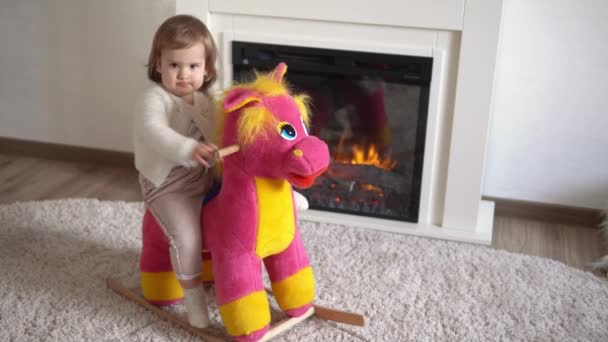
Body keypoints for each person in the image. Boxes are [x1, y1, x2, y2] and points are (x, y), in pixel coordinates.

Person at [132, 14, 218, 328]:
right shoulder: (153, 99)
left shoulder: (205, 100)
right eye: (174, 65)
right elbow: (154, 131)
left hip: (203, 176)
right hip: (167, 185)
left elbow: (220, 130)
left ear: (206, 68)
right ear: (158, 64)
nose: (184, 74)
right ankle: (193, 296)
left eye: (193, 66)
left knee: (241, 203)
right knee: (187, 236)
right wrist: (187, 149)